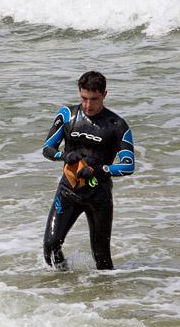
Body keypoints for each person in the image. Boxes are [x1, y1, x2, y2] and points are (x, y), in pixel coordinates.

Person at [41, 71, 135, 270]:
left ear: (104, 95)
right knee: (50, 248)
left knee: (102, 258)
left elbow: (128, 165)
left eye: (94, 99)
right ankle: (63, 284)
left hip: (99, 196)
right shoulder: (67, 115)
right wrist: (64, 156)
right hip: (68, 191)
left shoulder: (117, 125)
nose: (88, 105)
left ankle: (106, 290)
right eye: (84, 98)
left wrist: (98, 170)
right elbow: (47, 149)